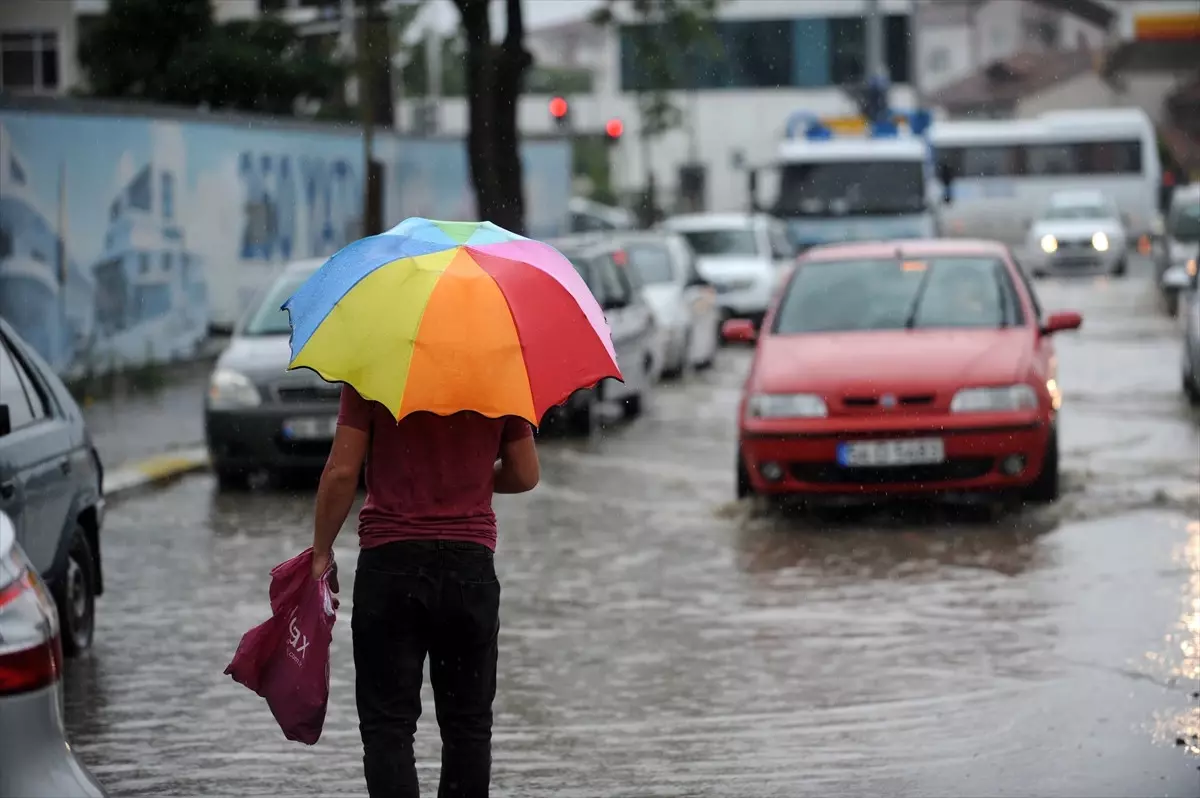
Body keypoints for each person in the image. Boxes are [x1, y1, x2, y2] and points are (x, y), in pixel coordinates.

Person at [310, 384, 540, 798]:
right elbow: (525, 473)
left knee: (388, 727)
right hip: (470, 571)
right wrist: (470, 479)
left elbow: (342, 471)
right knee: (468, 727)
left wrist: (320, 552)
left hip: (390, 567)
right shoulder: (497, 371)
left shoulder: (372, 367)